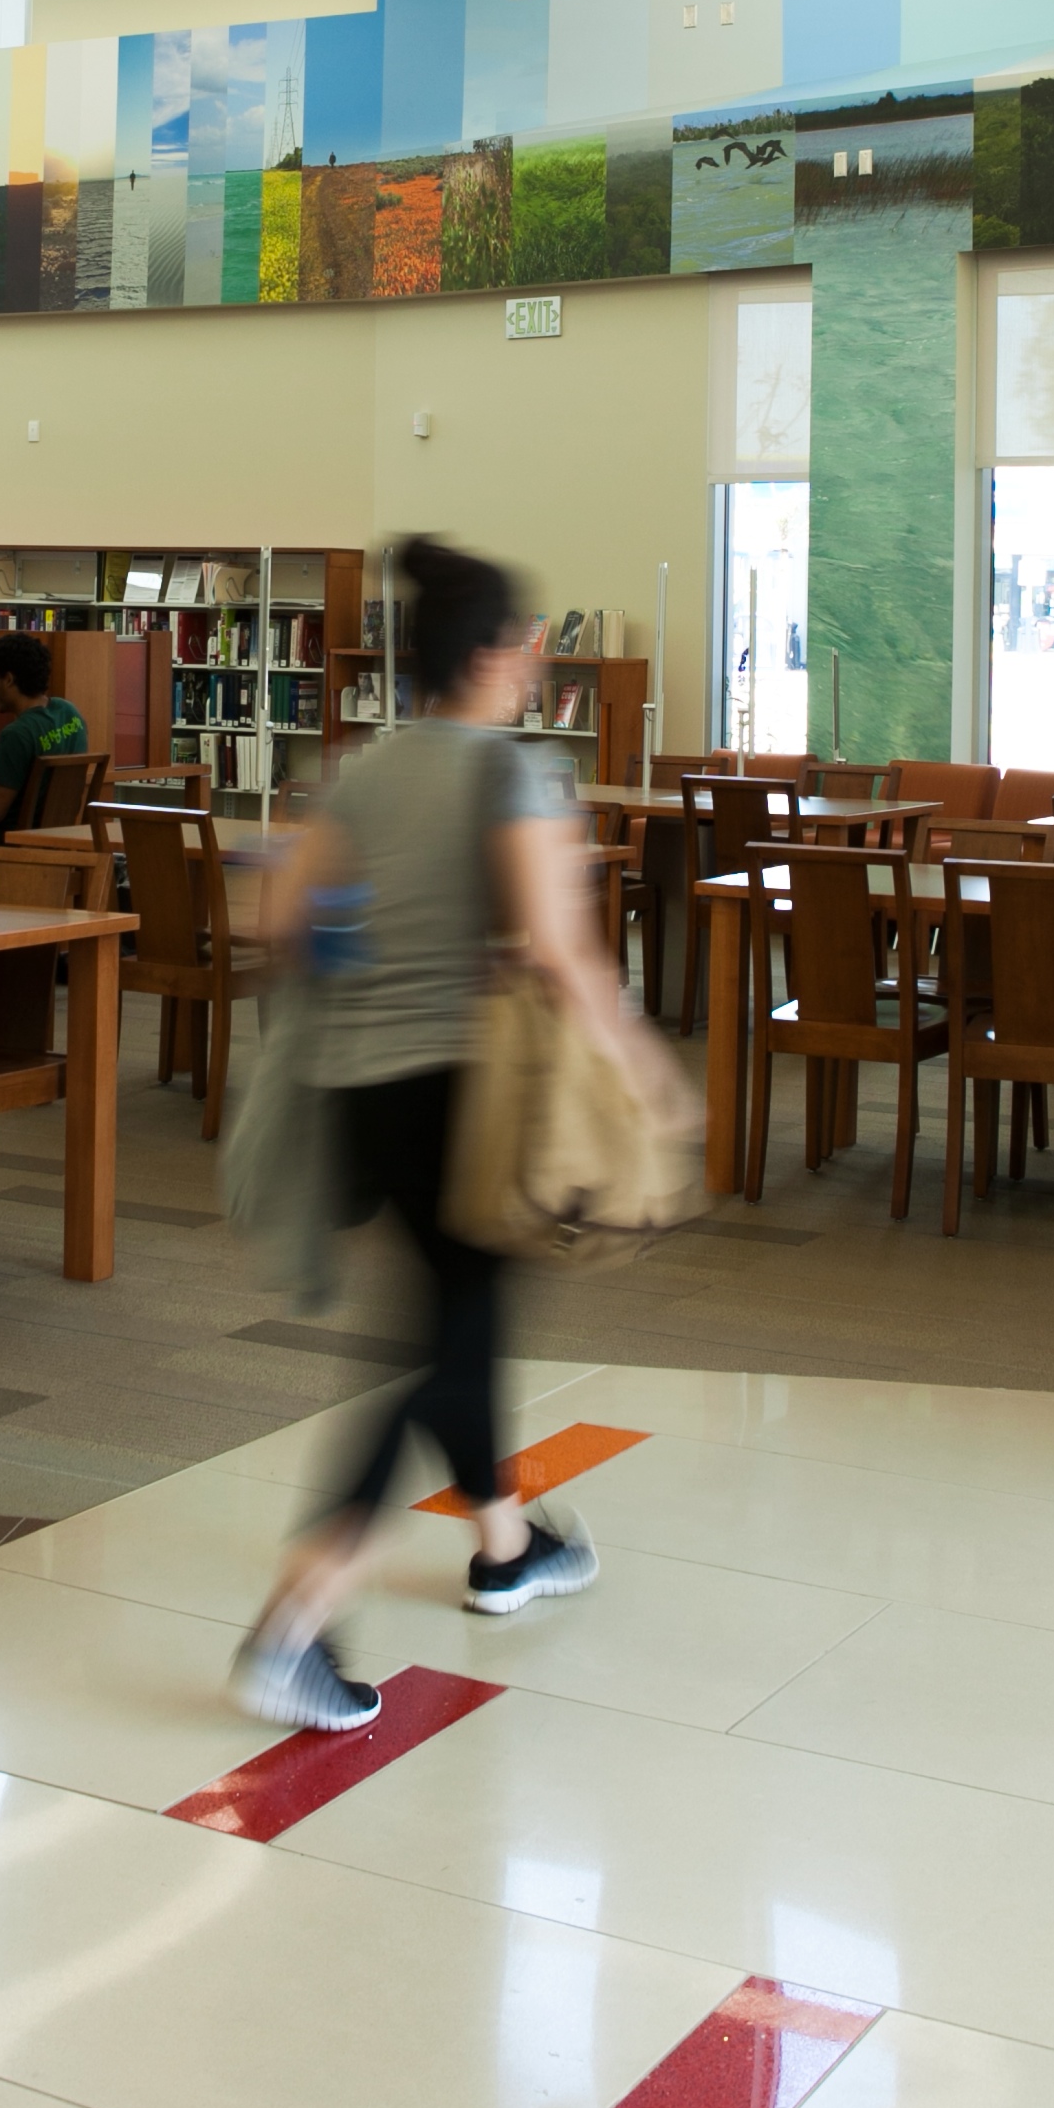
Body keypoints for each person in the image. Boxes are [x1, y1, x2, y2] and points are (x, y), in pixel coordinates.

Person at [230, 532, 679, 1734]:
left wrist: (384, 957)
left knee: (455, 1324)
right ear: (492, 657)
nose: (535, 669)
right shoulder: (511, 773)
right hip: (467, 1099)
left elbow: (279, 915)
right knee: (439, 1352)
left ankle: (505, 1546)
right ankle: (296, 1622)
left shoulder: (365, 767)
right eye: (527, 649)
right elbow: (556, 949)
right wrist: (643, 1067)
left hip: (360, 1092)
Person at [0, 632, 89, 828]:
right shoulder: (70, 713)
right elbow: (36, 770)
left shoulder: (16, 734)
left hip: (10, 844)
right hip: (59, 837)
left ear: (8, 679)